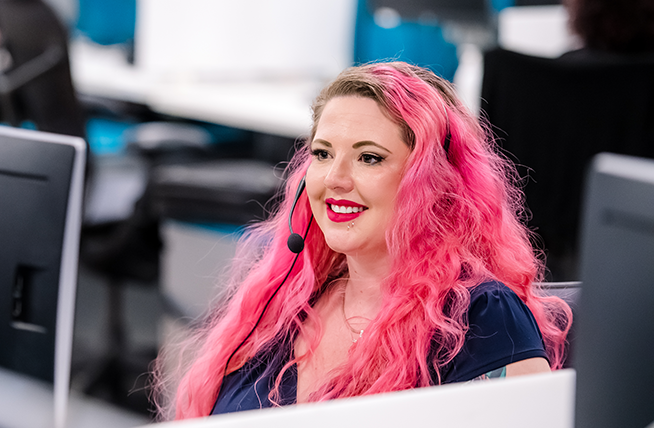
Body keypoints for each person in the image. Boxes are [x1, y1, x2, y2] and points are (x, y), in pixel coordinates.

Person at [153, 62, 572, 420]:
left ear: (433, 184)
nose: (335, 179)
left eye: (369, 157)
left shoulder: (481, 316)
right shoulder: (286, 303)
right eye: (322, 154)